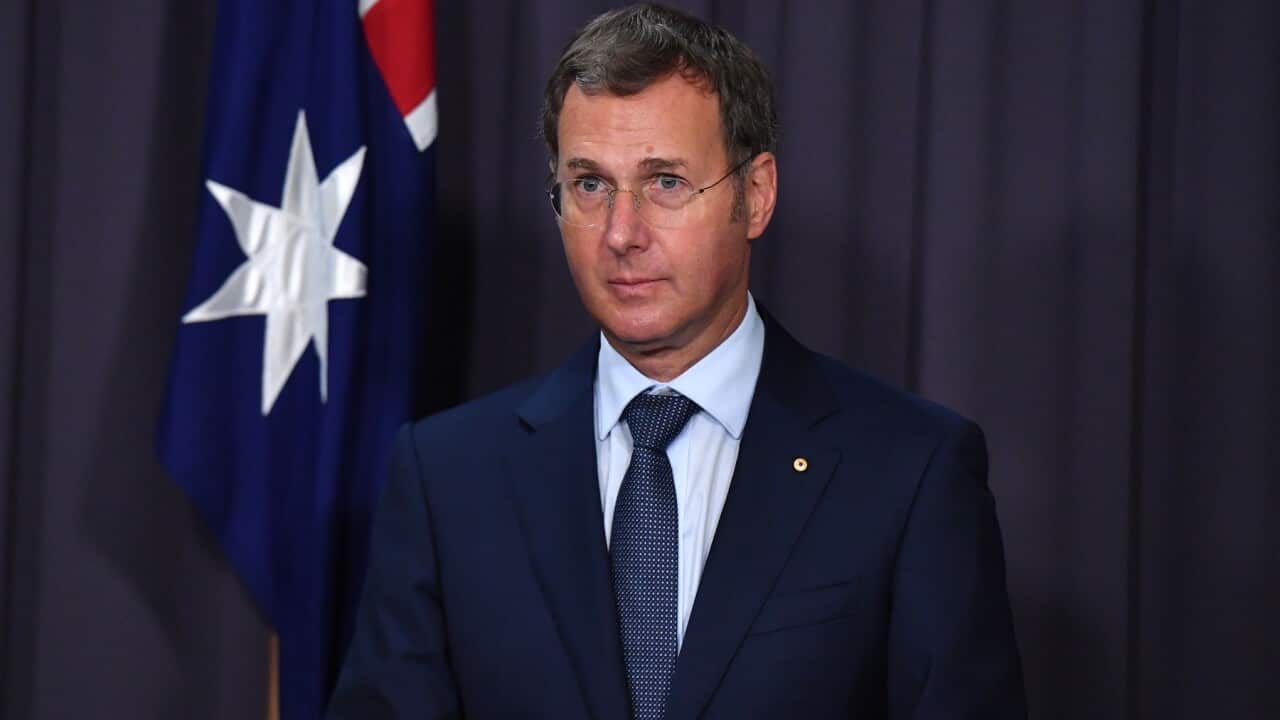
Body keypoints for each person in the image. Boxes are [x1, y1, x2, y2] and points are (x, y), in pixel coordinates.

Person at [327, 4, 1027, 718]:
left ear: (755, 197)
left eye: (665, 182)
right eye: (590, 185)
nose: (621, 233)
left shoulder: (909, 471)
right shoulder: (448, 477)